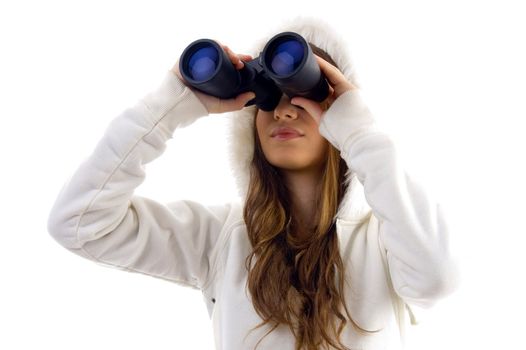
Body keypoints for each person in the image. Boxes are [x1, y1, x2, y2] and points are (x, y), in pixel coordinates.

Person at [47, 17, 459, 350]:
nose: (283, 112)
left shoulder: (387, 238)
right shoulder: (219, 239)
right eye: (268, 100)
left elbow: (436, 278)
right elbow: (79, 223)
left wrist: (358, 132)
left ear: (339, 115)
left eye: (304, 99)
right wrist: (169, 105)